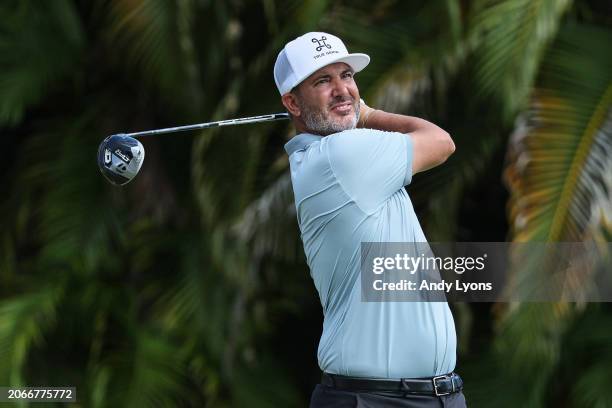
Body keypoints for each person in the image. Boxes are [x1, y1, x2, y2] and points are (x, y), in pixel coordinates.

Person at [274, 32, 466, 408]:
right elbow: (442, 141)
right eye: (323, 81)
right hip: (372, 399)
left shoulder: (341, 156)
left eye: (346, 75)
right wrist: (367, 113)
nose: (343, 90)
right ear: (292, 102)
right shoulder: (342, 155)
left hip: (437, 396)